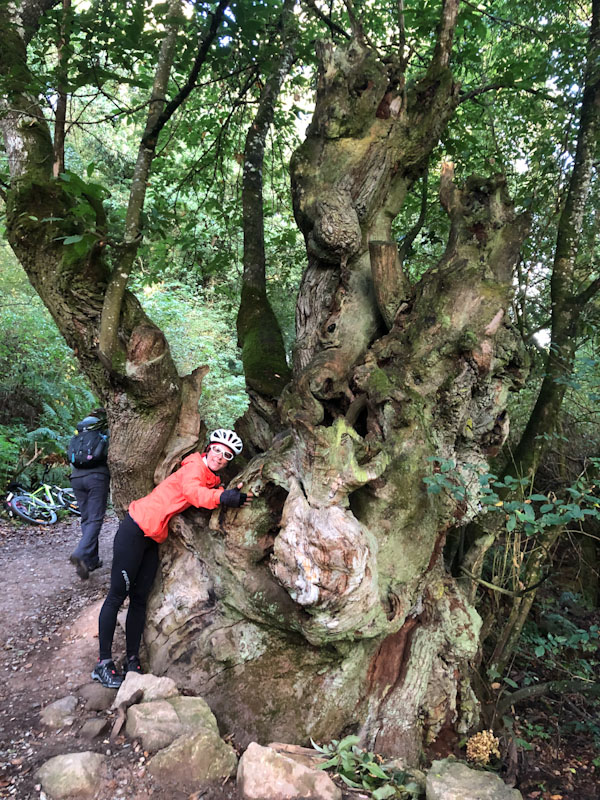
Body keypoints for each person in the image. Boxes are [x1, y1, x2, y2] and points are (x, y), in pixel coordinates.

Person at [92, 428, 252, 689]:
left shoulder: (209, 477)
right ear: (208, 449)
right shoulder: (193, 468)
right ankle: (103, 663)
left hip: (153, 538)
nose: (220, 456)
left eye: (226, 455)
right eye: (217, 450)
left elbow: (206, 489)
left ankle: (132, 660)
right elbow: (193, 493)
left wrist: (226, 492)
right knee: (117, 596)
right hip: (135, 529)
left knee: (140, 599)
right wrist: (223, 497)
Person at [69, 408, 110, 580]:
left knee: (87, 519)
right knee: (95, 519)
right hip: (97, 477)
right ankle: (81, 553)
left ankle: (91, 560)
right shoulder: (103, 432)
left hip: (76, 478)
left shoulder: (79, 435)